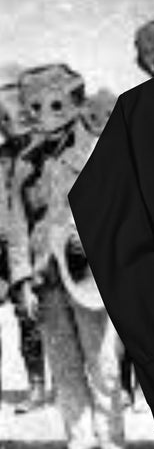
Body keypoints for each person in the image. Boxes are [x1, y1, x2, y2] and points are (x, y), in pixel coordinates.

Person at [11, 63, 125, 449]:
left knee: (104, 367)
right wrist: (22, 280)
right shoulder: (25, 163)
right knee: (64, 369)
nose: (42, 117)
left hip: (90, 278)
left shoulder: (100, 148)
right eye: (33, 108)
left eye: (53, 105)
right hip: (46, 279)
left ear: (73, 103)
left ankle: (111, 441)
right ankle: (80, 441)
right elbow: (17, 225)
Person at [0, 65, 47, 413]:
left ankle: (37, 385)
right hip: (3, 247)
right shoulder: (2, 156)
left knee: (29, 319)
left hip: (31, 249)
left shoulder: (41, 152)